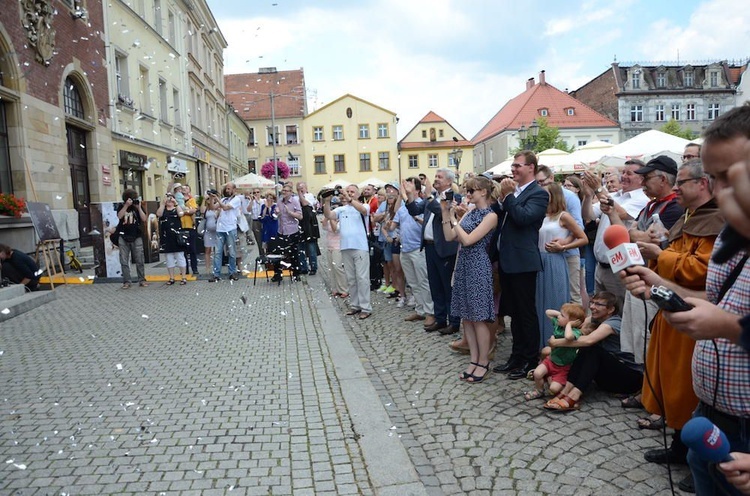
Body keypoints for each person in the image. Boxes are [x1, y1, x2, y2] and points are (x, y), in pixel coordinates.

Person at [621, 104, 750, 495]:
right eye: (713, 178)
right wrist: (660, 286)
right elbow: (710, 296)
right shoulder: (732, 233)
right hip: (711, 417)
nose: (721, 192)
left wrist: (726, 326)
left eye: (731, 178)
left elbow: (724, 316)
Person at [629, 160, 724, 493]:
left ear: (702, 184)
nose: (676, 187)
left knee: (688, 387)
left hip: (694, 311)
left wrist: (661, 254)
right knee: (670, 381)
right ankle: (678, 447)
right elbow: (677, 254)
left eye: (681, 182)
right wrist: (658, 253)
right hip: (672, 305)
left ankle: (697, 458)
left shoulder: (716, 219)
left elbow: (701, 268)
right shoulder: (689, 217)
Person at [490, 151, 549, 380]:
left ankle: (529, 359)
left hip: (524, 262)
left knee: (526, 313)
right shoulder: (512, 194)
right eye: (513, 165)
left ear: (531, 168)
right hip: (507, 260)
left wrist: (508, 197)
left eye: (517, 166)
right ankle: (516, 356)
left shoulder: (539, 194)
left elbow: (523, 218)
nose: (513, 169)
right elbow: (502, 216)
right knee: (513, 313)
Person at [543, 291, 643, 412]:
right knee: (586, 349)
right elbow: (577, 325)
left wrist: (556, 343)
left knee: (592, 348)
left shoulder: (612, 324)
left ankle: (574, 396)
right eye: (592, 302)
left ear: (611, 309)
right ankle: (565, 391)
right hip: (610, 375)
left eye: (598, 304)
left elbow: (588, 340)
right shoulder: (596, 319)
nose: (592, 307)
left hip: (630, 379)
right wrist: (569, 321)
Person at [440, 175, 498, 383]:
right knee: (467, 316)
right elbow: (449, 236)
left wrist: (455, 218)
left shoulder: (490, 216)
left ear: (483, 192)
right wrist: (446, 213)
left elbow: (467, 240)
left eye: (472, 191)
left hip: (478, 266)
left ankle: (483, 361)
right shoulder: (471, 212)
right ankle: (473, 359)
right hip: (464, 265)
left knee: (479, 317)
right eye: (467, 190)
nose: (468, 194)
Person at [582, 160, 649, 312]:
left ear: (642, 179)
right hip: (601, 266)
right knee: (600, 312)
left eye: (629, 173)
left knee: (619, 311)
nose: (623, 176)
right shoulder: (614, 195)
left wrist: (598, 189)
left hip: (619, 267)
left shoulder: (642, 200)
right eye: (623, 172)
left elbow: (620, 213)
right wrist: (587, 196)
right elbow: (588, 216)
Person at [403, 169, 461, 334]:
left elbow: (442, 212)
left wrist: (428, 196)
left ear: (449, 182)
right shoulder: (433, 196)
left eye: (439, 177)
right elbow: (415, 210)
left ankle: (454, 321)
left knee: (447, 286)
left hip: (444, 247)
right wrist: (409, 196)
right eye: (435, 176)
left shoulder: (452, 196)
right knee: (435, 285)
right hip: (429, 247)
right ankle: (440, 319)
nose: (436, 179)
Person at [536, 183, 588, 346]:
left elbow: (583, 238)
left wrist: (564, 246)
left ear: (554, 195)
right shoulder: (540, 215)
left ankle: (557, 343)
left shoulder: (563, 216)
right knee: (539, 303)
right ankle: (541, 343)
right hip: (540, 261)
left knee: (555, 300)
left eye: (546, 194)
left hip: (555, 261)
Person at [536, 165, 585, 305]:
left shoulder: (570, 198)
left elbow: (579, 228)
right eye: (537, 182)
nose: (540, 186)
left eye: (542, 182)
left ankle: (574, 326)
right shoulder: (543, 213)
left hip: (566, 255)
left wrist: (564, 244)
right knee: (547, 296)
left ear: (550, 178)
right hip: (544, 258)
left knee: (571, 295)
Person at [323, 184, 372, 319]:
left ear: (357, 194)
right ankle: (355, 305)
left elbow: (363, 210)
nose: (348, 193)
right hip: (345, 247)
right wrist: (326, 201)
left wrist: (348, 197)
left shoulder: (364, 205)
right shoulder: (341, 209)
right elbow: (329, 215)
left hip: (360, 247)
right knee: (351, 278)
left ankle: (366, 307)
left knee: (362, 278)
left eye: (352, 192)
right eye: (347, 191)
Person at [524, 303, 586, 401]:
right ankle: (539, 390)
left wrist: (569, 324)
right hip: (551, 360)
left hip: (563, 368)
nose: (558, 317)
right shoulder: (558, 324)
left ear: (572, 322)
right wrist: (562, 315)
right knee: (537, 373)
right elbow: (548, 312)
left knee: (554, 389)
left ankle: (551, 378)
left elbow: (568, 337)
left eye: (562, 316)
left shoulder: (575, 331)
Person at [395, 177, 435, 327]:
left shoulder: (424, 204)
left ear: (417, 190)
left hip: (418, 248)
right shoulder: (404, 206)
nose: (405, 186)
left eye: (409, 184)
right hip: (405, 248)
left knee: (423, 281)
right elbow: (396, 221)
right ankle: (420, 310)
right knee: (412, 282)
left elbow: (427, 225)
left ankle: (430, 311)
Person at [116, 188, 148, 289]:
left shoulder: (137, 206)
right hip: (123, 235)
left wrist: (138, 208)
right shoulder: (121, 206)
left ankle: (142, 280)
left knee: (139, 259)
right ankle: (127, 281)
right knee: (124, 260)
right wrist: (126, 206)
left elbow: (144, 219)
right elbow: (119, 216)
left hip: (136, 236)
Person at [211, 182, 242, 282]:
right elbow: (213, 207)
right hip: (220, 229)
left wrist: (217, 198)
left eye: (229, 189)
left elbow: (225, 207)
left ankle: (232, 272)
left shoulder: (236, 199)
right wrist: (212, 198)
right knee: (217, 252)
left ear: (234, 190)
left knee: (232, 252)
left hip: (230, 229)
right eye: (226, 189)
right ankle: (216, 274)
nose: (227, 190)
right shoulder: (224, 199)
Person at [273, 184, 303, 282]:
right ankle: (278, 274)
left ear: (291, 192)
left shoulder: (295, 201)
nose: (284, 192)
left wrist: (290, 212)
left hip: (292, 231)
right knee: (278, 253)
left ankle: (296, 274)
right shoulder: (279, 201)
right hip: (281, 231)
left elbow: (300, 216)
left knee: (293, 253)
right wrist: (276, 212)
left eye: (286, 191)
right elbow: (275, 216)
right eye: (283, 190)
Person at [156, 192, 187, 285]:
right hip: (166, 236)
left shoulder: (176, 208)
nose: (169, 200)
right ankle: (171, 277)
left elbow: (181, 214)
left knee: (180, 257)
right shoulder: (163, 209)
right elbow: (159, 214)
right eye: (167, 198)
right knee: (169, 258)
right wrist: (162, 203)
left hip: (177, 236)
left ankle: (184, 277)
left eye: (171, 198)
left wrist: (176, 203)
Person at [320, 196, 348, 298]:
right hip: (330, 246)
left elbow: (335, 229)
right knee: (331, 268)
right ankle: (335, 288)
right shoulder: (330, 219)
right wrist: (327, 216)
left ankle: (344, 289)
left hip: (338, 246)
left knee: (338, 267)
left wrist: (331, 219)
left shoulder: (342, 221)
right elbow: (323, 226)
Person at [296, 182, 320, 275]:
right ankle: (303, 267)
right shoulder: (295, 198)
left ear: (306, 188)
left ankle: (313, 267)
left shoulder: (309, 196)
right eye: (298, 188)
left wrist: (300, 194)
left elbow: (305, 203)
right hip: (300, 223)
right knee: (300, 247)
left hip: (310, 223)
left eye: (302, 188)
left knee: (311, 247)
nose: (300, 189)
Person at [180, 184, 199, 276]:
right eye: (183, 187)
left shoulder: (191, 200)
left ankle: (194, 268)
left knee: (192, 249)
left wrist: (182, 212)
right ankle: (185, 269)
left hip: (190, 226)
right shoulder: (178, 200)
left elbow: (193, 211)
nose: (184, 189)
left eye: (187, 188)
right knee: (183, 250)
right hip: (181, 227)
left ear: (189, 191)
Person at [200, 189, 220, 275]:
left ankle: (216, 267)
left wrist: (214, 200)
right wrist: (204, 200)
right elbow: (201, 211)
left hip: (217, 230)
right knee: (207, 249)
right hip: (208, 231)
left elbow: (218, 215)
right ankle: (207, 267)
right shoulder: (206, 208)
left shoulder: (217, 205)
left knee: (217, 250)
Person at [249, 189, 265, 258]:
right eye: (254, 192)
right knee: (259, 240)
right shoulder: (251, 202)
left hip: (263, 221)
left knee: (265, 238)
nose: (256, 194)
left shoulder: (263, 201)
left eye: (257, 192)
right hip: (255, 221)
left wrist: (257, 200)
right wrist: (252, 201)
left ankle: (267, 254)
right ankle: (261, 255)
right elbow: (248, 210)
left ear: (260, 193)